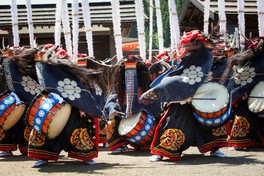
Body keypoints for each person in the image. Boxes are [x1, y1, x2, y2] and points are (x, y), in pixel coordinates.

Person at [140, 30, 229, 161]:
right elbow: (179, 73)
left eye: (188, 44)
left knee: (209, 123)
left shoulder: (205, 55)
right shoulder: (186, 56)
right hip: (182, 96)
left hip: (201, 94)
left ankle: (214, 148)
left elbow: (202, 73)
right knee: (174, 122)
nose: (185, 47)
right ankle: (162, 151)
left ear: (198, 44)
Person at [103, 55, 162, 154]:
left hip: (149, 130)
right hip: (126, 132)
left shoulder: (147, 85)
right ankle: (118, 146)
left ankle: (155, 144)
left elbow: (156, 108)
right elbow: (111, 102)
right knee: (111, 124)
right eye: (127, 66)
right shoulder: (119, 86)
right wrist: (113, 110)